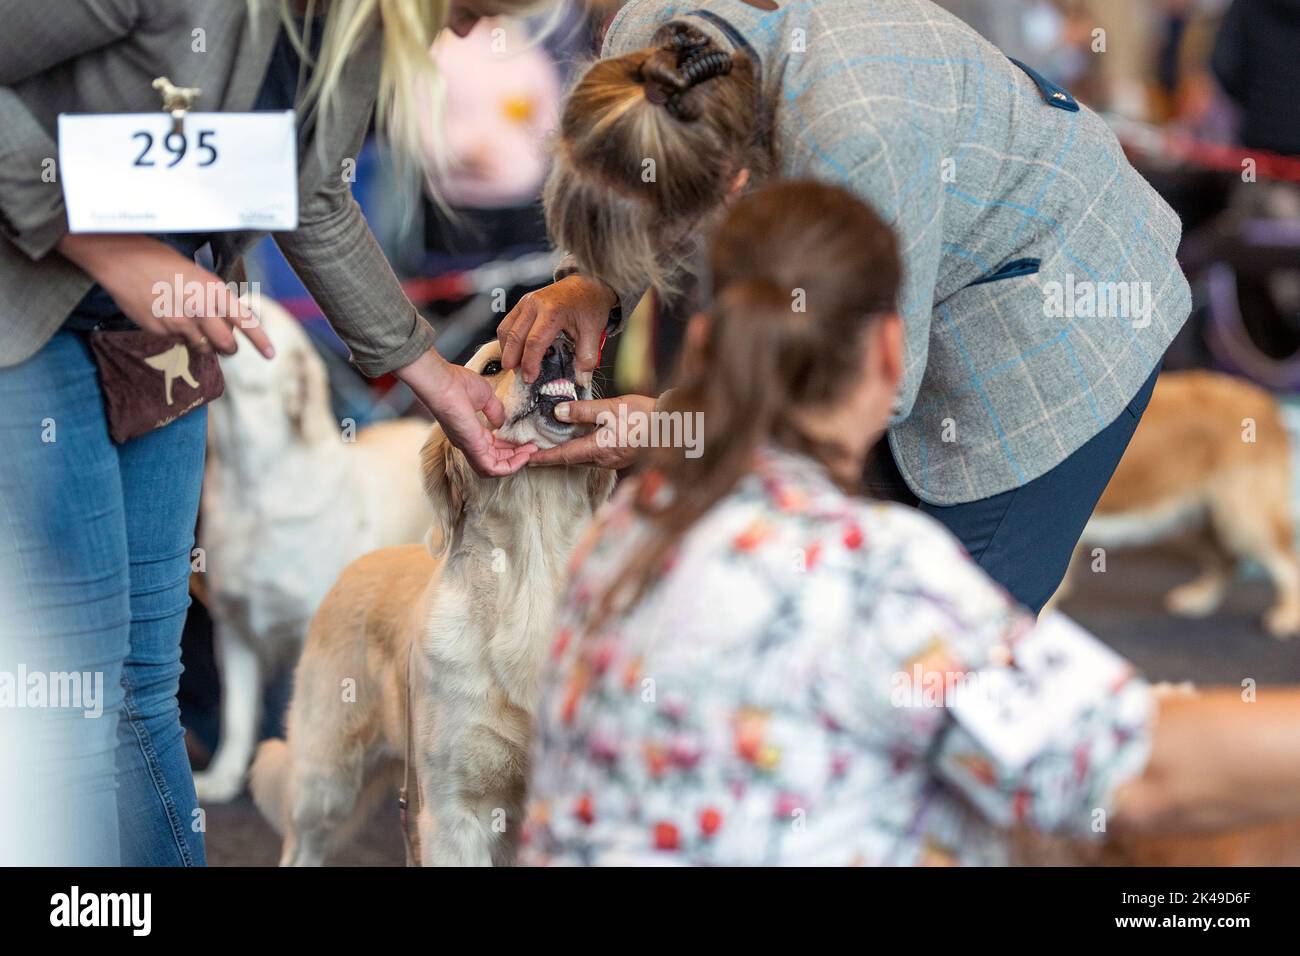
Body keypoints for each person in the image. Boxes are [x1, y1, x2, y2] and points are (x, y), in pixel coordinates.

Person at [521, 180, 1300, 867]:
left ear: (700, 342)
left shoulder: (624, 534)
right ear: (894, 355)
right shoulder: (876, 570)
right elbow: (1138, 777)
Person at [0, 0, 552, 866]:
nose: (457, 35)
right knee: (69, 703)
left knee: (143, 692)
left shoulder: (352, 31)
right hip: (26, 323)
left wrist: (434, 376)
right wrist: (112, 247)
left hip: (166, 339)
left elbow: (313, 197)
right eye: (464, 8)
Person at [497, 0, 1193, 614]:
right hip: (922, 236)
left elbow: (863, 386)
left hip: (1054, 310)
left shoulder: (859, 135)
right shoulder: (645, 56)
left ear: (738, 186)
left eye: (660, 247)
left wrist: (673, 428)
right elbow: (630, 179)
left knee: (935, 647)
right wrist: (591, 282)